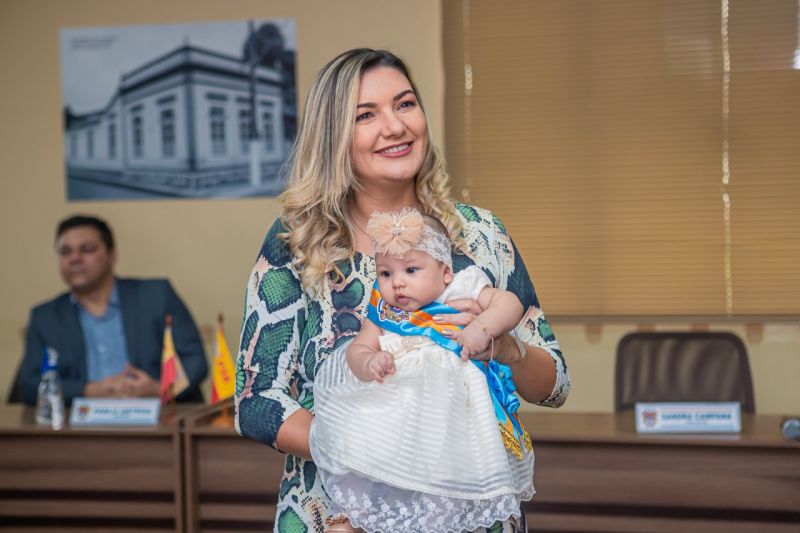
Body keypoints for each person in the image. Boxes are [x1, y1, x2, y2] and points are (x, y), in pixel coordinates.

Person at [235, 48, 570, 532]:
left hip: (472, 516)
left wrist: (507, 349)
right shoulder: (299, 241)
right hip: (338, 516)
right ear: (333, 137)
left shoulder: (480, 235)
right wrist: (370, 452)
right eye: (365, 115)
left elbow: (555, 385)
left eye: (405, 104)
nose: (395, 126)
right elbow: (256, 400)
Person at [310, 208, 534, 533]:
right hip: (392, 422)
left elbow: (510, 304)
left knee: (444, 491)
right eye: (386, 273)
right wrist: (368, 362)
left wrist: (483, 328)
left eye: (411, 269)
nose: (397, 282)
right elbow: (358, 348)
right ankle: (357, 518)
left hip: (448, 417)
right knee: (368, 475)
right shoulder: (383, 308)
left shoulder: (463, 286)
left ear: (445, 271)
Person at [17, 215, 207, 405]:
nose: (75, 259)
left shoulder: (156, 296)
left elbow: (195, 361)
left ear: (112, 255)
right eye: (65, 252)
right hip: (82, 420)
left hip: (158, 416)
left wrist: (159, 389)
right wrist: (89, 390)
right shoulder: (45, 317)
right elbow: (29, 385)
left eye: (87, 249)